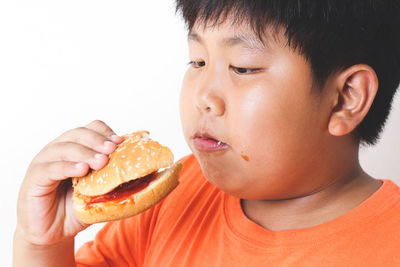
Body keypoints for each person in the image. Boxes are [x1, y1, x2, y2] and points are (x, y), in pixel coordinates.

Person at [13, 0, 400, 266]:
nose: (203, 97)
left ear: (346, 98)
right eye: (197, 60)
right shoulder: (171, 197)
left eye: (242, 67)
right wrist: (42, 242)